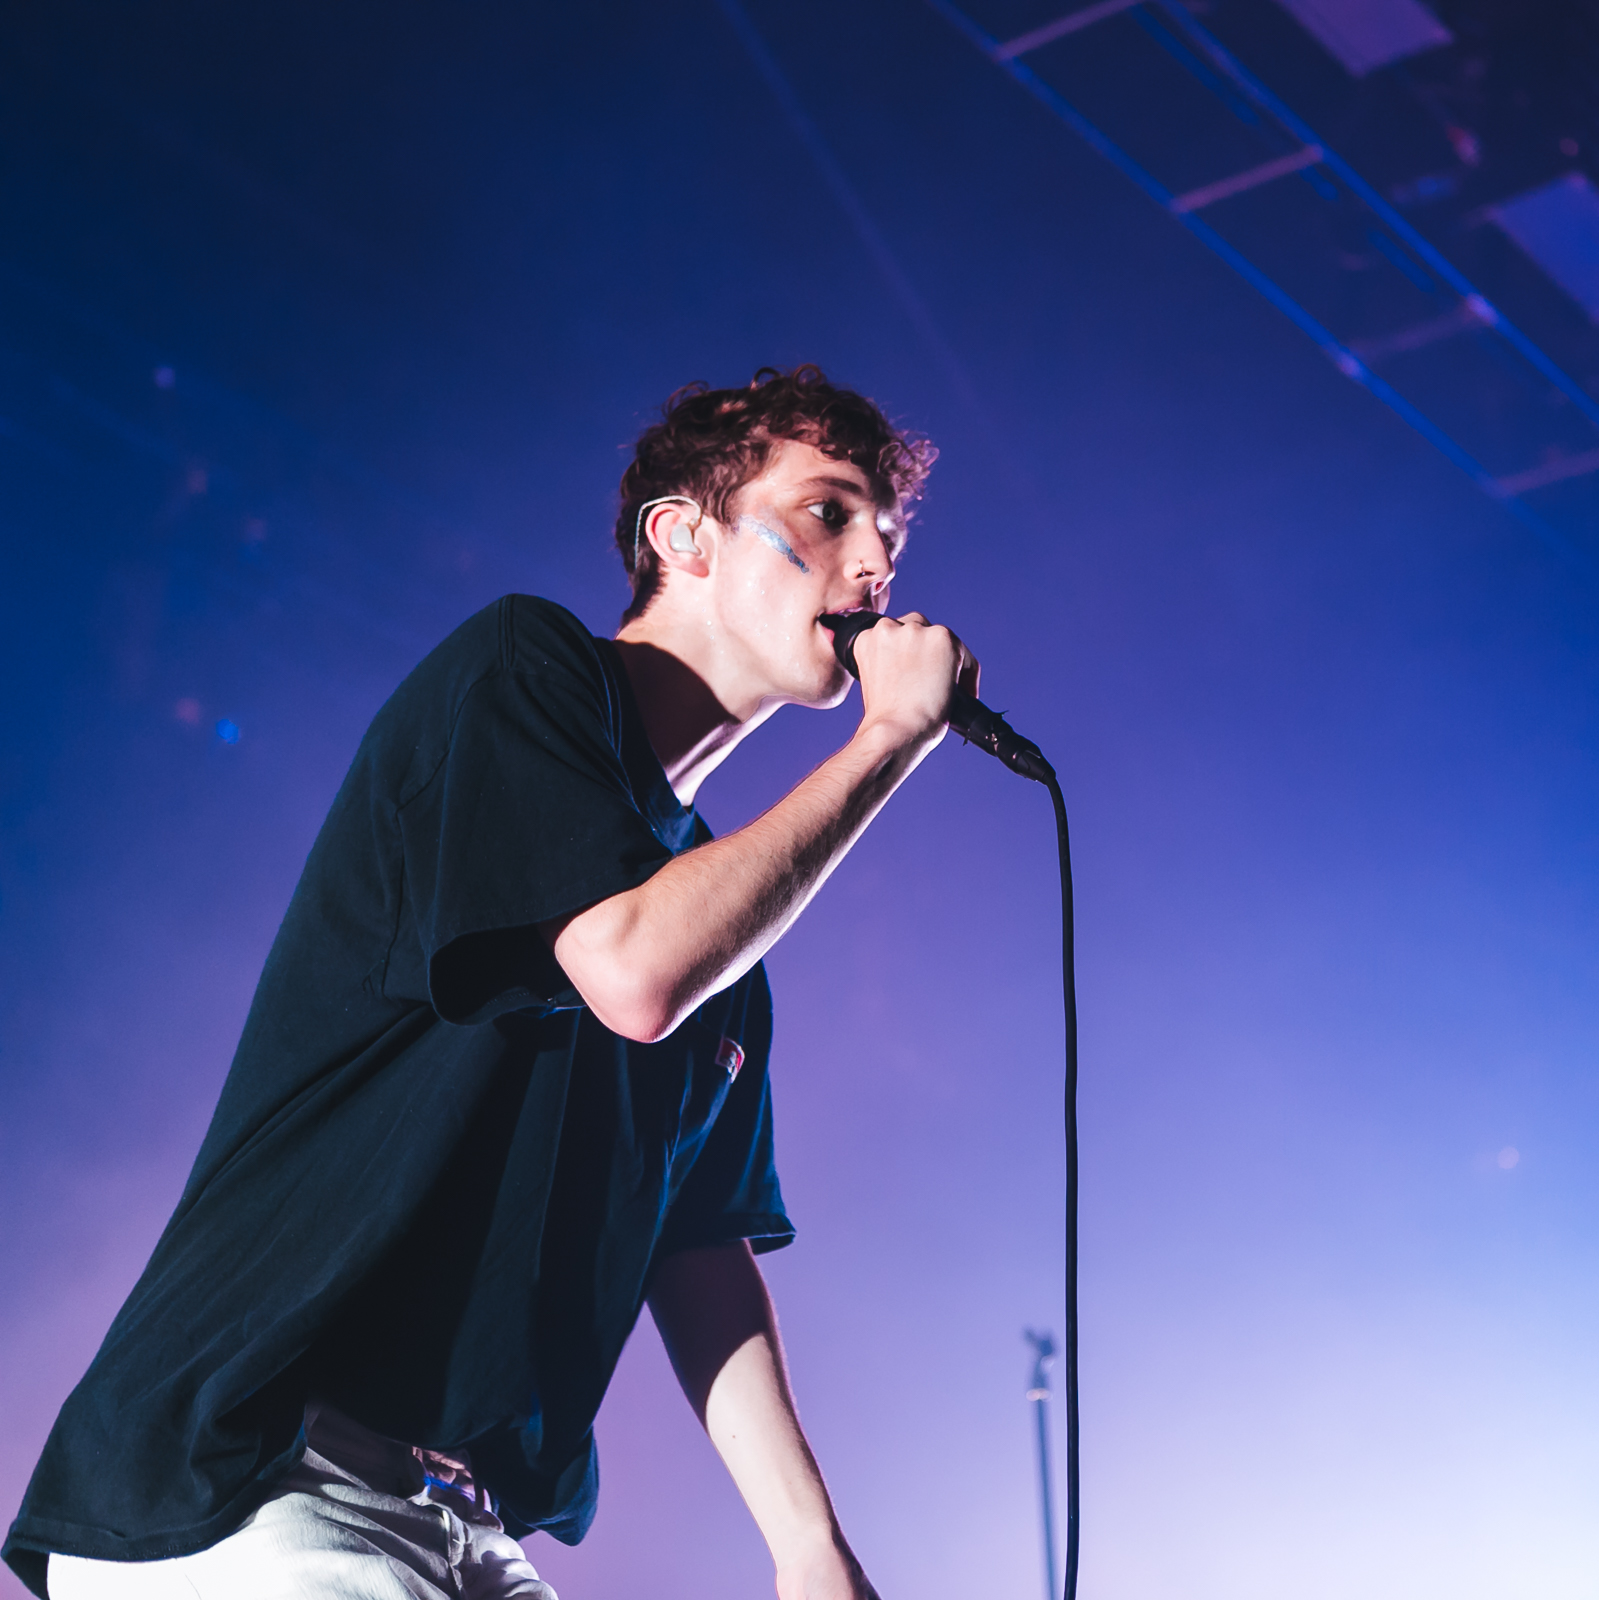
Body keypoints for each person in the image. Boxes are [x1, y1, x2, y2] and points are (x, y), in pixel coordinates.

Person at [5, 365, 974, 1600]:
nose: (874, 564)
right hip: (257, 1478)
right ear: (681, 536)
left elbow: (699, 1244)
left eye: (887, 536)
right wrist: (888, 737)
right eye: (830, 513)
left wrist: (807, 1547)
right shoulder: (523, 672)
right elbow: (631, 969)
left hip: (464, 1515)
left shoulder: (726, 925)